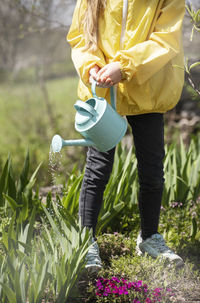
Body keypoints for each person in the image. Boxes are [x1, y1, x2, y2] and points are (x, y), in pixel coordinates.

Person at [67, 0, 185, 273]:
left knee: (153, 169)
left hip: (148, 89)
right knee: (97, 169)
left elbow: (166, 38)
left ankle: (149, 237)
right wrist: (91, 66)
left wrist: (125, 66)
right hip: (103, 93)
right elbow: (80, 36)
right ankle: (87, 242)